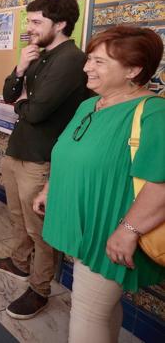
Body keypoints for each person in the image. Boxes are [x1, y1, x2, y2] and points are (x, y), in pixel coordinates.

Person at [34, 26, 165, 343]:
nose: (86, 67)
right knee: (100, 310)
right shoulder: (89, 105)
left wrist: (128, 231)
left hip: (109, 232)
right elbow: (68, 154)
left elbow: (161, 185)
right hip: (83, 226)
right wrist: (49, 189)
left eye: (99, 62)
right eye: (89, 59)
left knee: (87, 316)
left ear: (133, 70)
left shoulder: (154, 113)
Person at [0, 0, 89, 319]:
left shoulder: (71, 60)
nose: (29, 27)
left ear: (61, 24)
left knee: (39, 230)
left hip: (42, 156)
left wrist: (24, 103)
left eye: (36, 21)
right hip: (19, 150)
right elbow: (13, 92)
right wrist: (20, 69)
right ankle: (17, 262)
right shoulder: (37, 54)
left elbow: (37, 110)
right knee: (17, 216)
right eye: (29, 20)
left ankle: (40, 289)